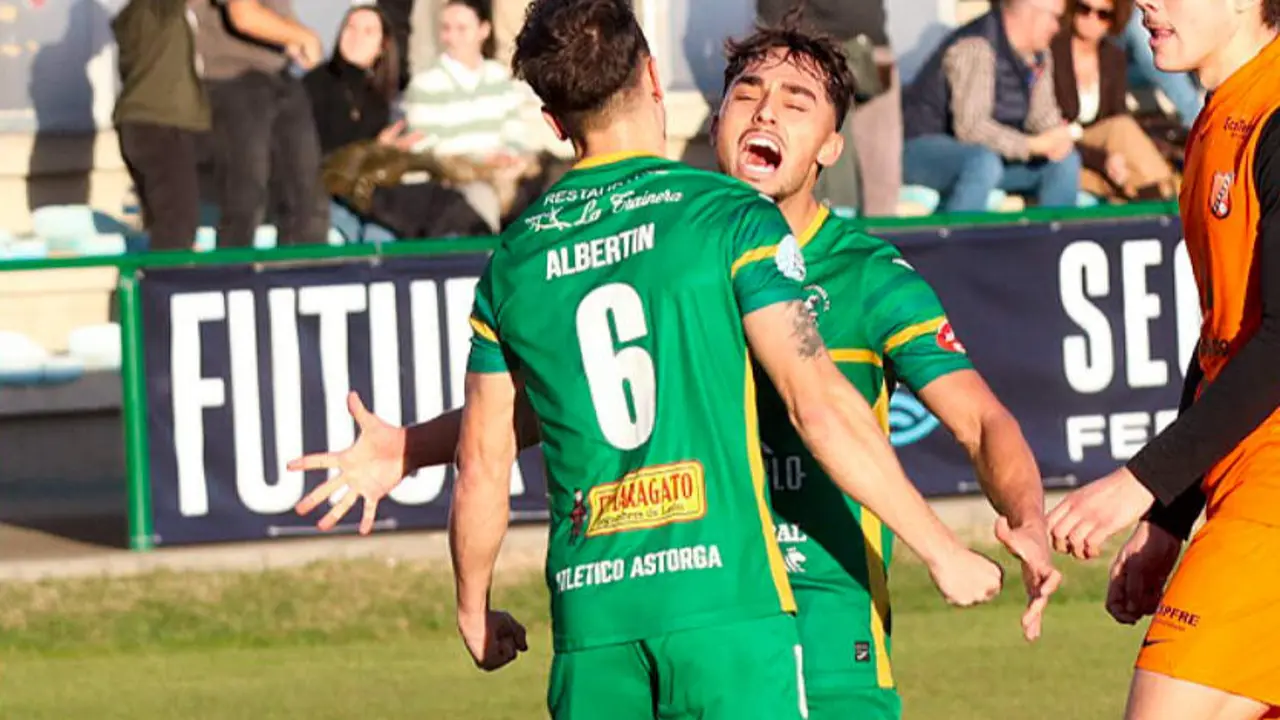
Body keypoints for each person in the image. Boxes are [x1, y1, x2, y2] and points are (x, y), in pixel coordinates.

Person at [292, 1, 1004, 717]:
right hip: (726, 611)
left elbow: (482, 462)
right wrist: (941, 549)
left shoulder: (516, 258)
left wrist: (472, 608)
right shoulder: (728, 217)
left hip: (592, 626)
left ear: (554, 121)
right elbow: (815, 403)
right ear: (655, 79)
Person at [1047, 0, 1280, 717]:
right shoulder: (1222, 115)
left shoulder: (1273, 115)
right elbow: (1225, 340)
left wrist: (1141, 482)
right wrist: (1170, 516)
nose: (1146, 1)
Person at [302, 3, 492, 241]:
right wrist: (377, 148)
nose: (357, 36)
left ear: (383, 46)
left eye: (368, 31)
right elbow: (317, 158)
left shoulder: (380, 99)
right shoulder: (314, 85)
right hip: (327, 193)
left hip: (370, 194)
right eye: (350, 27)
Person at [901, 0, 1083, 213]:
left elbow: (1042, 117)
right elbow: (971, 128)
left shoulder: (1039, 56)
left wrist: (1057, 139)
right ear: (1029, 13)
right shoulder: (975, 46)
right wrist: (1031, 145)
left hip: (995, 154)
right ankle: (959, 234)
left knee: (1065, 162)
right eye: (1056, 17)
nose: (1057, 27)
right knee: (981, 162)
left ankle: (1053, 233)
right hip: (923, 148)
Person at [191, 0, 329, 246]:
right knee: (246, 196)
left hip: (277, 75)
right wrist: (305, 37)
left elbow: (273, 14)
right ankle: (234, 268)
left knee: (306, 198)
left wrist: (294, 41)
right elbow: (243, 14)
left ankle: (302, 265)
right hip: (234, 78)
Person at [402, 0, 547, 228]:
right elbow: (426, 147)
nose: (452, 37)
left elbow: (516, 132)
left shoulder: (499, 77)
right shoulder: (425, 84)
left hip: (507, 173)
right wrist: (481, 161)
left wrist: (508, 156)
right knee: (482, 198)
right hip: (458, 180)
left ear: (483, 30)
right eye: (446, 28)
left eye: (461, 29)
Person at [757, 0, 902, 217]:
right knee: (827, 182)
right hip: (811, 52)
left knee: (882, 177)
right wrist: (788, 50)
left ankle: (879, 232)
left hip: (872, 50)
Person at [1050, 0, 1176, 202]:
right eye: (1085, 9)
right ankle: (1164, 192)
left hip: (1102, 145)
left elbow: (1117, 112)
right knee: (1119, 131)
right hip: (1063, 141)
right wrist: (1103, 160)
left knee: (1121, 142)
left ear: (1113, 20)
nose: (1092, 19)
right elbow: (1048, 124)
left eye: (1103, 14)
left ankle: (1155, 194)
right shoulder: (1053, 51)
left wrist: (1110, 159)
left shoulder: (1113, 57)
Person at [111, 0, 208, 251]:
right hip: (160, 124)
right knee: (177, 220)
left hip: (139, 123)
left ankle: (158, 271)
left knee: (162, 218)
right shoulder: (158, 8)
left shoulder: (136, 14)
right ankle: (167, 274)